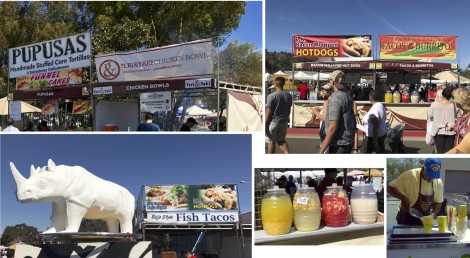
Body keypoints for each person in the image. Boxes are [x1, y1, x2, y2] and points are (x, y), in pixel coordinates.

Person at [388, 158, 444, 225]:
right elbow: (390, 187)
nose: (431, 178)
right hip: (406, 217)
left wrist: (432, 215)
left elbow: (438, 202)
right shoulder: (409, 175)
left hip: (425, 219)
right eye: (429, 175)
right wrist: (403, 197)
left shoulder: (438, 182)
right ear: (423, 169)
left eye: (434, 176)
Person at [319, 70, 355, 154]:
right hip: (348, 140)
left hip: (338, 143)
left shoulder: (335, 98)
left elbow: (332, 127)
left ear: (332, 81)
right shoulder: (347, 96)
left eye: (330, 79)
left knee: (330, 167)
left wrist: (322, 149)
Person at [265, 77, 293, 154]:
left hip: (273, 122)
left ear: (276, 84)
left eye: (274, 83)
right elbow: (289, 108)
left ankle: (271, 164)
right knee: (281, 141)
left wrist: (265, 124)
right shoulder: (289, 95)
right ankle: (287, 155)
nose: (273, 84)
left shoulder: (271, 96)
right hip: (283, 121)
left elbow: (268, 111)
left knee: (271, 142)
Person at [428, 87, 456, 153]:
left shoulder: (434, 104)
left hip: (438, 131)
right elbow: (458, 114)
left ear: (442, 94)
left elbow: (430, 115)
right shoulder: (453, 105)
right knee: (448, 152)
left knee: (440, 152)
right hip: (451, 131)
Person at [311, 84, 333, 148]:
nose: (323, 91)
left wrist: (315, 112)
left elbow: (323, 118)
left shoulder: (326, 101)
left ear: (330, 91)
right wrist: (321, 108)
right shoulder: (333, 100)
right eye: (323, 90)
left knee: (323, 147)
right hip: (331, 127)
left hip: (325, 127)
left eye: (325, 90)